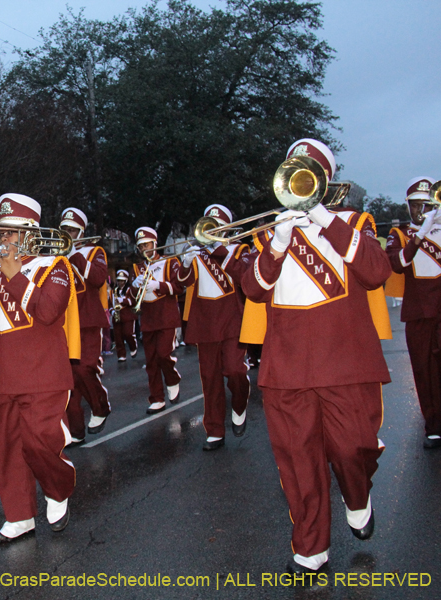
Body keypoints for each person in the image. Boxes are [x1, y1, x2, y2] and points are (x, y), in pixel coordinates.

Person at [241, 138, 391, 574]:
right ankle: (310, 549)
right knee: (299, 464)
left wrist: (325, 220)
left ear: (323, 180)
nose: (299, 178)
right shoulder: (270, 230)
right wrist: (276, 244)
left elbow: (377, 271)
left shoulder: (354, 221)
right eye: (293, 169)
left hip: (346, 362)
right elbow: (252, 289)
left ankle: (357, 494)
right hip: (286, 368)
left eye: (308, 171)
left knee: (353, 449)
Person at [0, 194, 78, 543]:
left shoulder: (55, 264)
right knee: (10, 448)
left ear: (30, 231)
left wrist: (13, 274)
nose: (3, 239)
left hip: (42, 371)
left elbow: (47, 313)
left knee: (40, 443)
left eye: (10, 232)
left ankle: (58, 489)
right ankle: (19, 516)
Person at [176, 204, 252, 450]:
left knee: (235, 371)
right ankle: (215, 430)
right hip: (205, 322)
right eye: (209, 225)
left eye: (217, 226)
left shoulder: (237, 249)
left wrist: (218, 251)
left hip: (232, 320)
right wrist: (186, 264)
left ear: (226, 229)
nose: (212, 231)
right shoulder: (197, 253)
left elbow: (245, 278)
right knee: (210, 379)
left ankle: (240, 404)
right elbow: (182, 283)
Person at [386, 176, 441, 449]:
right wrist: (420, 234)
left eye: (428, 204)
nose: (422, 210)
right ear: (408, 206)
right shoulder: (399, 235)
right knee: (424, 370)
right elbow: (396, 264)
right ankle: (433, 424)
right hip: (419, 313)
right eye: (417, 205)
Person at [60, 208, 111, 444]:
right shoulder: (56, 255)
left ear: (81, 231)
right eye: (64, 230)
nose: (67, 234)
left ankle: (101, 407)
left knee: (84, 369)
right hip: (65, 323)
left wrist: (75, 255)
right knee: (68, 378)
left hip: (89, 321)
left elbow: (98, 278)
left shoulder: (94, 251)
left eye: (72, 230)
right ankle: (76, 430)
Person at [132, 227, 184, 413]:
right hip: (148, 318)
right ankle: (157, 398)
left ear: (155, 243)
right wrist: (134, 285)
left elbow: (179, 287)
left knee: (164, 354)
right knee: (151, 361)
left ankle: (172, 379)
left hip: (166, 316)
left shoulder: (170, 262)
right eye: (140, 246)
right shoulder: (137, 268)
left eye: (146, 244)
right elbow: (132, 297)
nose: (144, 248)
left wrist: (159, 285)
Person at [110, 270, 138, 361]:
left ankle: (133, 347)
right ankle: (121, 355)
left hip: (127, 315)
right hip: (117, 315)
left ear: (126, 281)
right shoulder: (114, 291)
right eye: (118, 280)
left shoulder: (131, 289)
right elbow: (110, 304)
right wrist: (112, 311)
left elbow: (134, 302)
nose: (120, 282)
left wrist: (123, 301)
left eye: (122, 280)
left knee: (128, 333)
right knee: (118, 336)